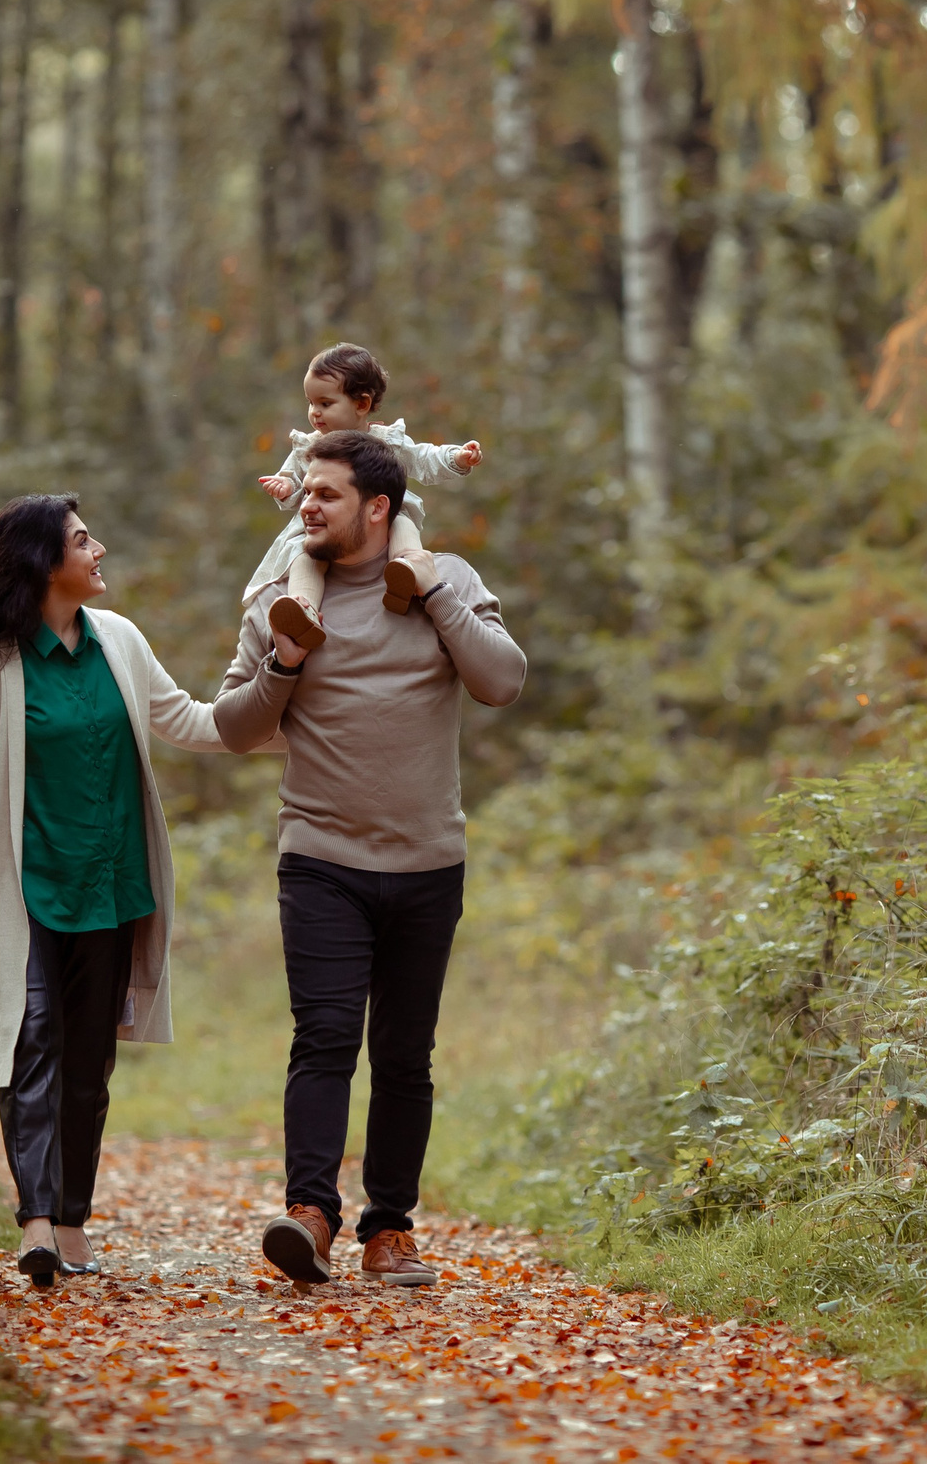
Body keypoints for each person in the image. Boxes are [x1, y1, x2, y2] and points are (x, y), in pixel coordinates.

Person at [214, 432, 526, 1285]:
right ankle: (309, 1214)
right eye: (305, 490)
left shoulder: (445, 579)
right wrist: (285, 661)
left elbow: (502, 680)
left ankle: (389, 1230)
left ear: (379, 507)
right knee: (323, 1038)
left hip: (429, 861)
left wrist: (435, 598)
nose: (306, 505)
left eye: (327, 494)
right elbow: (236, 728)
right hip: (320, 856)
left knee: (404, 1053)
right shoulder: (284, 599)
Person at [0, 494, 230, 1290]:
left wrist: (289, 701)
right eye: (82, 539)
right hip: (23, 892)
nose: (99, 549)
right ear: (42, 560)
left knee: (89, 1063)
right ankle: (34, 1220)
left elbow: (192, 720)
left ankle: (70, 1220)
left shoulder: (121, 641)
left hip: (111, 885)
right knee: (32, 1041)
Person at [249, 342, 484, 652]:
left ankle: (408, 571)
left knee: (402, 524)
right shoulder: (309, 446)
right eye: (310, 403)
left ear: (361, 403)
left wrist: (456, 458)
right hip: (323, 528)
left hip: (381, 518)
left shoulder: (385, 441)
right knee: (303, 554)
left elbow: (423, 458)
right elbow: (294, 482)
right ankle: (303, 608)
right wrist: (285, 487)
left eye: (325, 403)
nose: (314, 413)